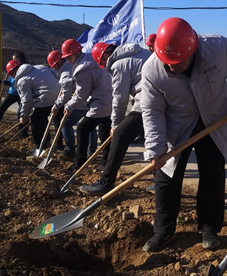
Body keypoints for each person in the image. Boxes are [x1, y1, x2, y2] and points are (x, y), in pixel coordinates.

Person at [140, 17, 227, 253]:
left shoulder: (217, 48)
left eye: (176, 62)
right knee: (166, 177)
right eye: (167, 62)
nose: (171, 67)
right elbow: (152, 110)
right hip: (177, 126)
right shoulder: (152, 69)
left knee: (212, 174)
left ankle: (209, 228)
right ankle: (164, 231)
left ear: (192, 50)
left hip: (214, 121)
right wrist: (156, 149)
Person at [80, 41, 151, 195]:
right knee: (157, 139)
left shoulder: (119, 64)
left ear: (106, 56)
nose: (105, 67)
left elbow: (119, 99)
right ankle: (160, 182)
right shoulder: (141, 52)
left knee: (120, 135)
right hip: (163, 98)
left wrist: (116, 124)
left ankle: (106, 183)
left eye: (102, 63)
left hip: (148, 100)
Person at [59, 39, 112, 172]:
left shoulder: (83, 69)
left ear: (76, 53)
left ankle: (79, 163)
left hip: (100, 102)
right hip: (110, 101)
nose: (67, 61)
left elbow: (82, 94)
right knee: (105, 133)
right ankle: (106, 162)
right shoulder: (93, 59)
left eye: (68, 57)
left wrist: (69, 106)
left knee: (83, 129)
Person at [47, 50, 100, 159]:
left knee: (65, 124)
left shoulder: (66, 74)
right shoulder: (74, 66)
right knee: (90, 126)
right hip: (90, 100)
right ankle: (92, 152)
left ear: (59, 63)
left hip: (81, 103)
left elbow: (66, 95)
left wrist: (56, 105)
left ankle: (70, 150)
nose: (54, 68)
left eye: (54, 66)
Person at [5, 59, 60, 151]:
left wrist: (24, 115)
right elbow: (56, 74)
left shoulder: (22, 80)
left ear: (14, 72)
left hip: (45, 97)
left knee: (35, 120)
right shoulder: (39, 67)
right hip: (59, 95)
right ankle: (48, 142)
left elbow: (27, 100)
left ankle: (40, 146)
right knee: (42, 118)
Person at [0, 51, 29, 135]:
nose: (13, 60)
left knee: (21, 112)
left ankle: (23, 131)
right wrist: (7, 82)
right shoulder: (13, 68)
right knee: (2, 108)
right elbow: (12, 80)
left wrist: (10, 83)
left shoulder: (25, 68)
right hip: (12, 93)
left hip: (21, 93)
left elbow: (20, 83)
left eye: (14, 59)